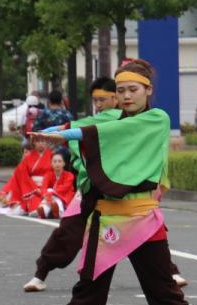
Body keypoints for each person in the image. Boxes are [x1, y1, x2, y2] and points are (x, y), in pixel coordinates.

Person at [29, 58, 197, 305]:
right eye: (121, 90)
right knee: (87, 291)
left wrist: (69, 133)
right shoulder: (109, 119)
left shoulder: (156, 118)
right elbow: (98, 125)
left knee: (165, 290)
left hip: (142, 218)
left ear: (148, 90)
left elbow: (110, 131)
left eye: (133, 90)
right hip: (107, 217)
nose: (126, 96)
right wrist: (56, 132)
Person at [24, 77, 188, 291]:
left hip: (127, 195)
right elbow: (77, 128)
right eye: (96, 100)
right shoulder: (102, 120)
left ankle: (169, 272)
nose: (99, 104)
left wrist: (66, 132)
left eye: (104, 99)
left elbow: (83, 131)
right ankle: (42, 273)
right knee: (69, 232)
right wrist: (52, 132)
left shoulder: (148, 119)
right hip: (93, 190)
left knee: (148, 238)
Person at [0, 138, 54, 215]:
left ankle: (43, 210)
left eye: (43, 141)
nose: (41, 143)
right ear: (34, 143)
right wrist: (34, 188)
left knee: (50, 195)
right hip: (31, 188)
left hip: (45, 185)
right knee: (21, 207)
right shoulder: (28, 158)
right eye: (38, 141)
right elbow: (21, 176)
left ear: (47, 143)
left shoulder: (52, 156)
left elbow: (54, 173)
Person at [36, 151, 76, 219]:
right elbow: (43, 187)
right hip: (50, 198)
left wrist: (51, 192)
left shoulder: (70, 175)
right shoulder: (48, 175)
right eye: (54, 161)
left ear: (64, 163)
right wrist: (48, 195)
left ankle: (57, 212)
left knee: (51, 192)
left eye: (59, 161)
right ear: (51, 164)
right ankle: (44, 211)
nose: (57, 163)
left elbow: (64, 188)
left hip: (65, 197)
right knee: (48, 192)